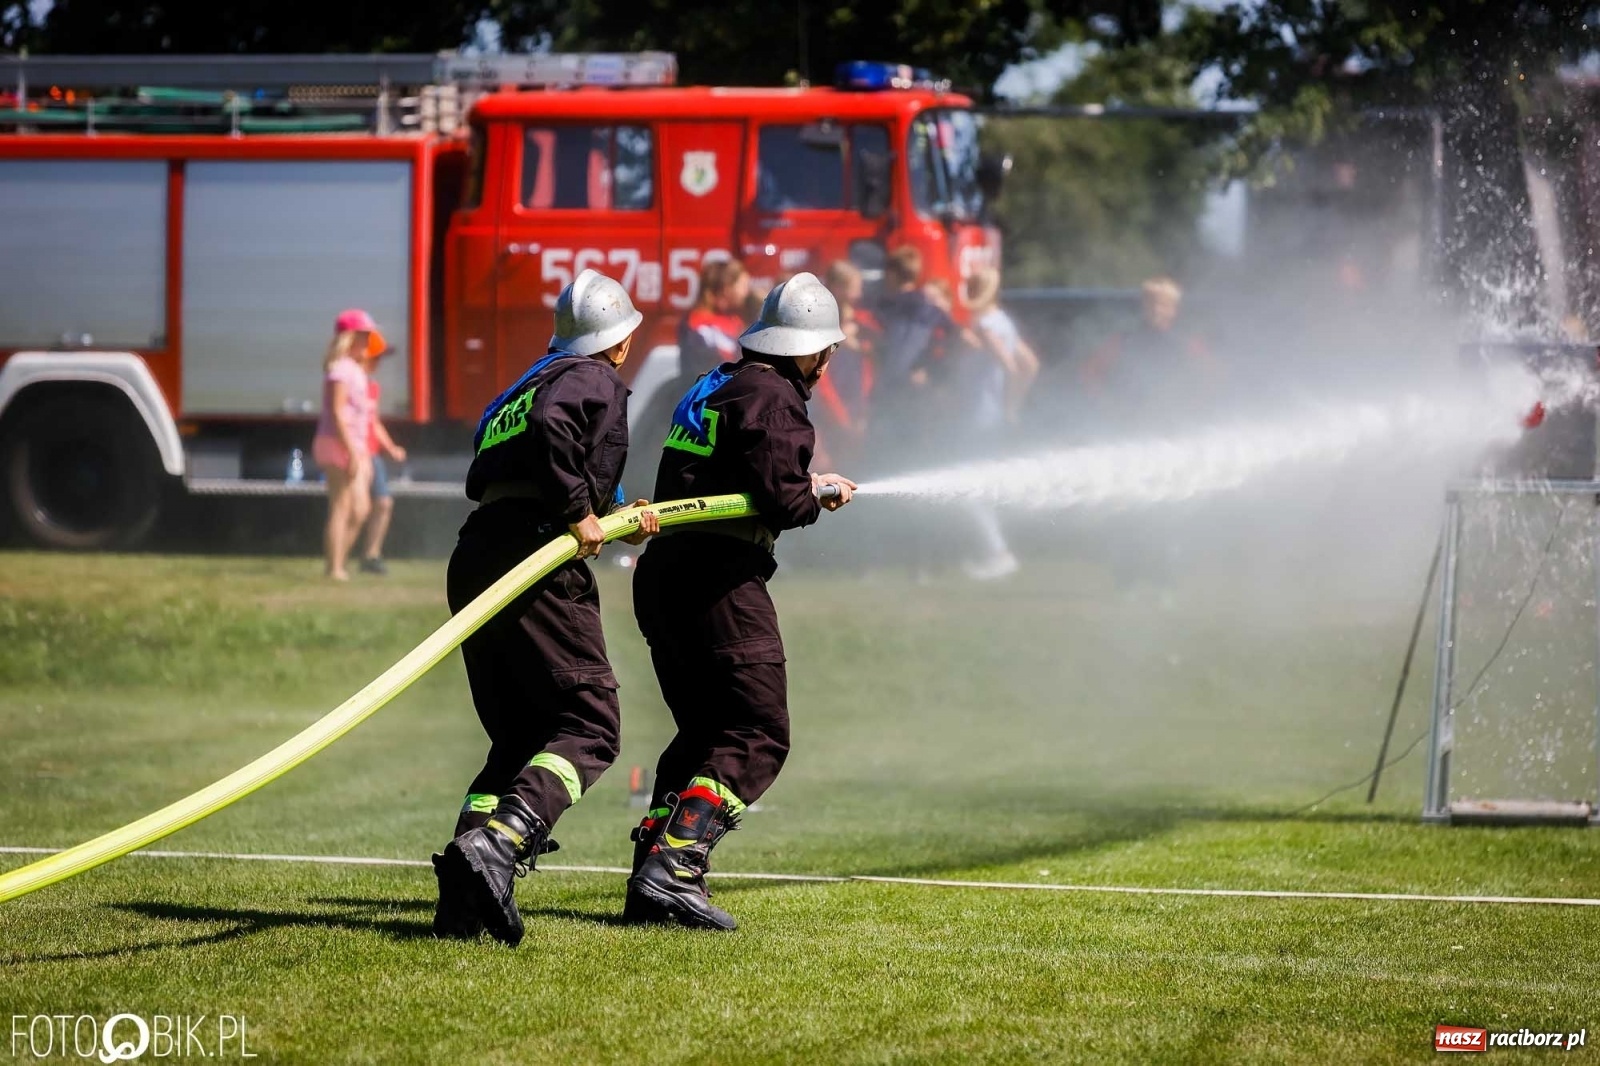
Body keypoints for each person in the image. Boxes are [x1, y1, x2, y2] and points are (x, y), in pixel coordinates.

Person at [431, 269, 660, 947]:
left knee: (518, 737)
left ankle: (464, 892)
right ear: (619, 341)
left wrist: (614, 512)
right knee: (590, 724)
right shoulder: (591, 379)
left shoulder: (526, 382)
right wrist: (578, 509)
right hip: (533, 556)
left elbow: (522, 455)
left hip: (480, 553)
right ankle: (498, 846)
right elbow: (553, 431)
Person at [626, 272, 856, 931]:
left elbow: (745, 474)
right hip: (718, 580)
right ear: (807, 350)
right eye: (826, 350)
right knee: (758, 731)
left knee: (702, 734)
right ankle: (674, 867)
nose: (828, 363)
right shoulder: (774, 394)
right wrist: (817, 494)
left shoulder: (717, 382)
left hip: (667, 573)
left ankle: (651, 879)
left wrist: (801, 484)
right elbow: (782, 499)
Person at [960, 267, 1040, 580]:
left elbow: (1011, 365)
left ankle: (998, 553)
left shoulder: (984, 325)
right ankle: (996, 551)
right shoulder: (1002, 321)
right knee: (980, 486)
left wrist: (1009, 404)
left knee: (970, 489)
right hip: (990, 416)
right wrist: (1012, 407)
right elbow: (1030, 364)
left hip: (979, 415)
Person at [312, 310, 380, 581]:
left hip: (352, 444)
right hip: (337, 443)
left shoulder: (354, 370)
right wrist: (352, 450)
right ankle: (334, 568)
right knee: (341, 506)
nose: (367, 342)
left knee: (360, 508)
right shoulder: (340, 369)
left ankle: (338, 562)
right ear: (348, 338)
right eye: (362, 336)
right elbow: (338, 412)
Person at [358, 343, 408, 576]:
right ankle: (339, 560)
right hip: (356, 453)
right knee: (355, 508)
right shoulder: (352, 384)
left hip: (371, 453)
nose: (378, 363)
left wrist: (391, 448)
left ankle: (371, 555)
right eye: (374, 357)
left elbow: (373, 422)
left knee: (383, 503)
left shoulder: (372, 386)